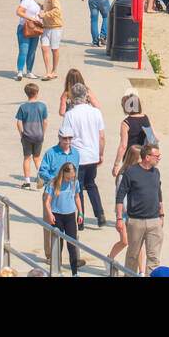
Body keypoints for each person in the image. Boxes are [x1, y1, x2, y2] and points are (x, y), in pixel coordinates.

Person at [61, 82, 106, 228]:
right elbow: (102, 136)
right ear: (86, 96)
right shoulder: (96, 112)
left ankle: (80, 219)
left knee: (77, 187)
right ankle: (100, 214)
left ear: (73, 98)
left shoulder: (70, 114)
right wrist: (101, 153)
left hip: (77, 155)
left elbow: (66, 136)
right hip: (92, 153)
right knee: (91, 184)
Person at [115, 143, 163, 269]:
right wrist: (119, 218)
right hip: (136, 221)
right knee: (133, 255)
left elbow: (159, 193)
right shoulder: (131, 172)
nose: (159, 158)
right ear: (147, 157)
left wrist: (161, 214)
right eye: (157, 156)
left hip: (154, 221)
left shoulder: (156, 172)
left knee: (154, 257)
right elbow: (120, 195)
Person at [43, 162, 83, 275]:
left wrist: (80, 213)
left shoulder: (75, 183)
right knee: (57, 246)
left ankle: (74, 272)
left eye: (71, 177)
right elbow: (47, 202)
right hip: (57, 216)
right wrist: (50, 214)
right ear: (62, 174)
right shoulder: (54, 183)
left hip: (70, 216)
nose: (69, 180)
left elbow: (77, 197)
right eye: (67, 177)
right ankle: (56, 270)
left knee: (72, 245)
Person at [112, 88, 154, 176]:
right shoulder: (146, 118)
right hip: (145, 157)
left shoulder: (126, 123)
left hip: (131, 157)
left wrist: (116, 165)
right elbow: (155, 138)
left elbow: (123, 146)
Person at [16, 82, 48, 188]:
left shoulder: (23, 107)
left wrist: (21, 134)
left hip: (27, 136)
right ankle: (41, 178)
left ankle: (27, 182)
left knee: (27, 158)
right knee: (37, 157)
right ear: (37, 93)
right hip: (38, 135)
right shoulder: (42, 106)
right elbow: (45, 121)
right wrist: (42, 133)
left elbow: (19, 122)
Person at [37, 0, 63, 80]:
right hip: (46, 25)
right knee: (44, 48)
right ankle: (48, 71)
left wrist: (44, 14)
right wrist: (39, 5)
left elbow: (57, 10)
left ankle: (54, 71)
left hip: (55, 26)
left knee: (54, 49)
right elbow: (48, 6)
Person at [15, 0, 42, 80]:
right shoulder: (26, 0)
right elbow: (19, 12)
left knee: (32, 51)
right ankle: (20, 71)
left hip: (34, 28)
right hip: (25, 27)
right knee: (24, 50)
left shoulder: (33, 1)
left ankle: (29, 71)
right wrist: (32, 18)